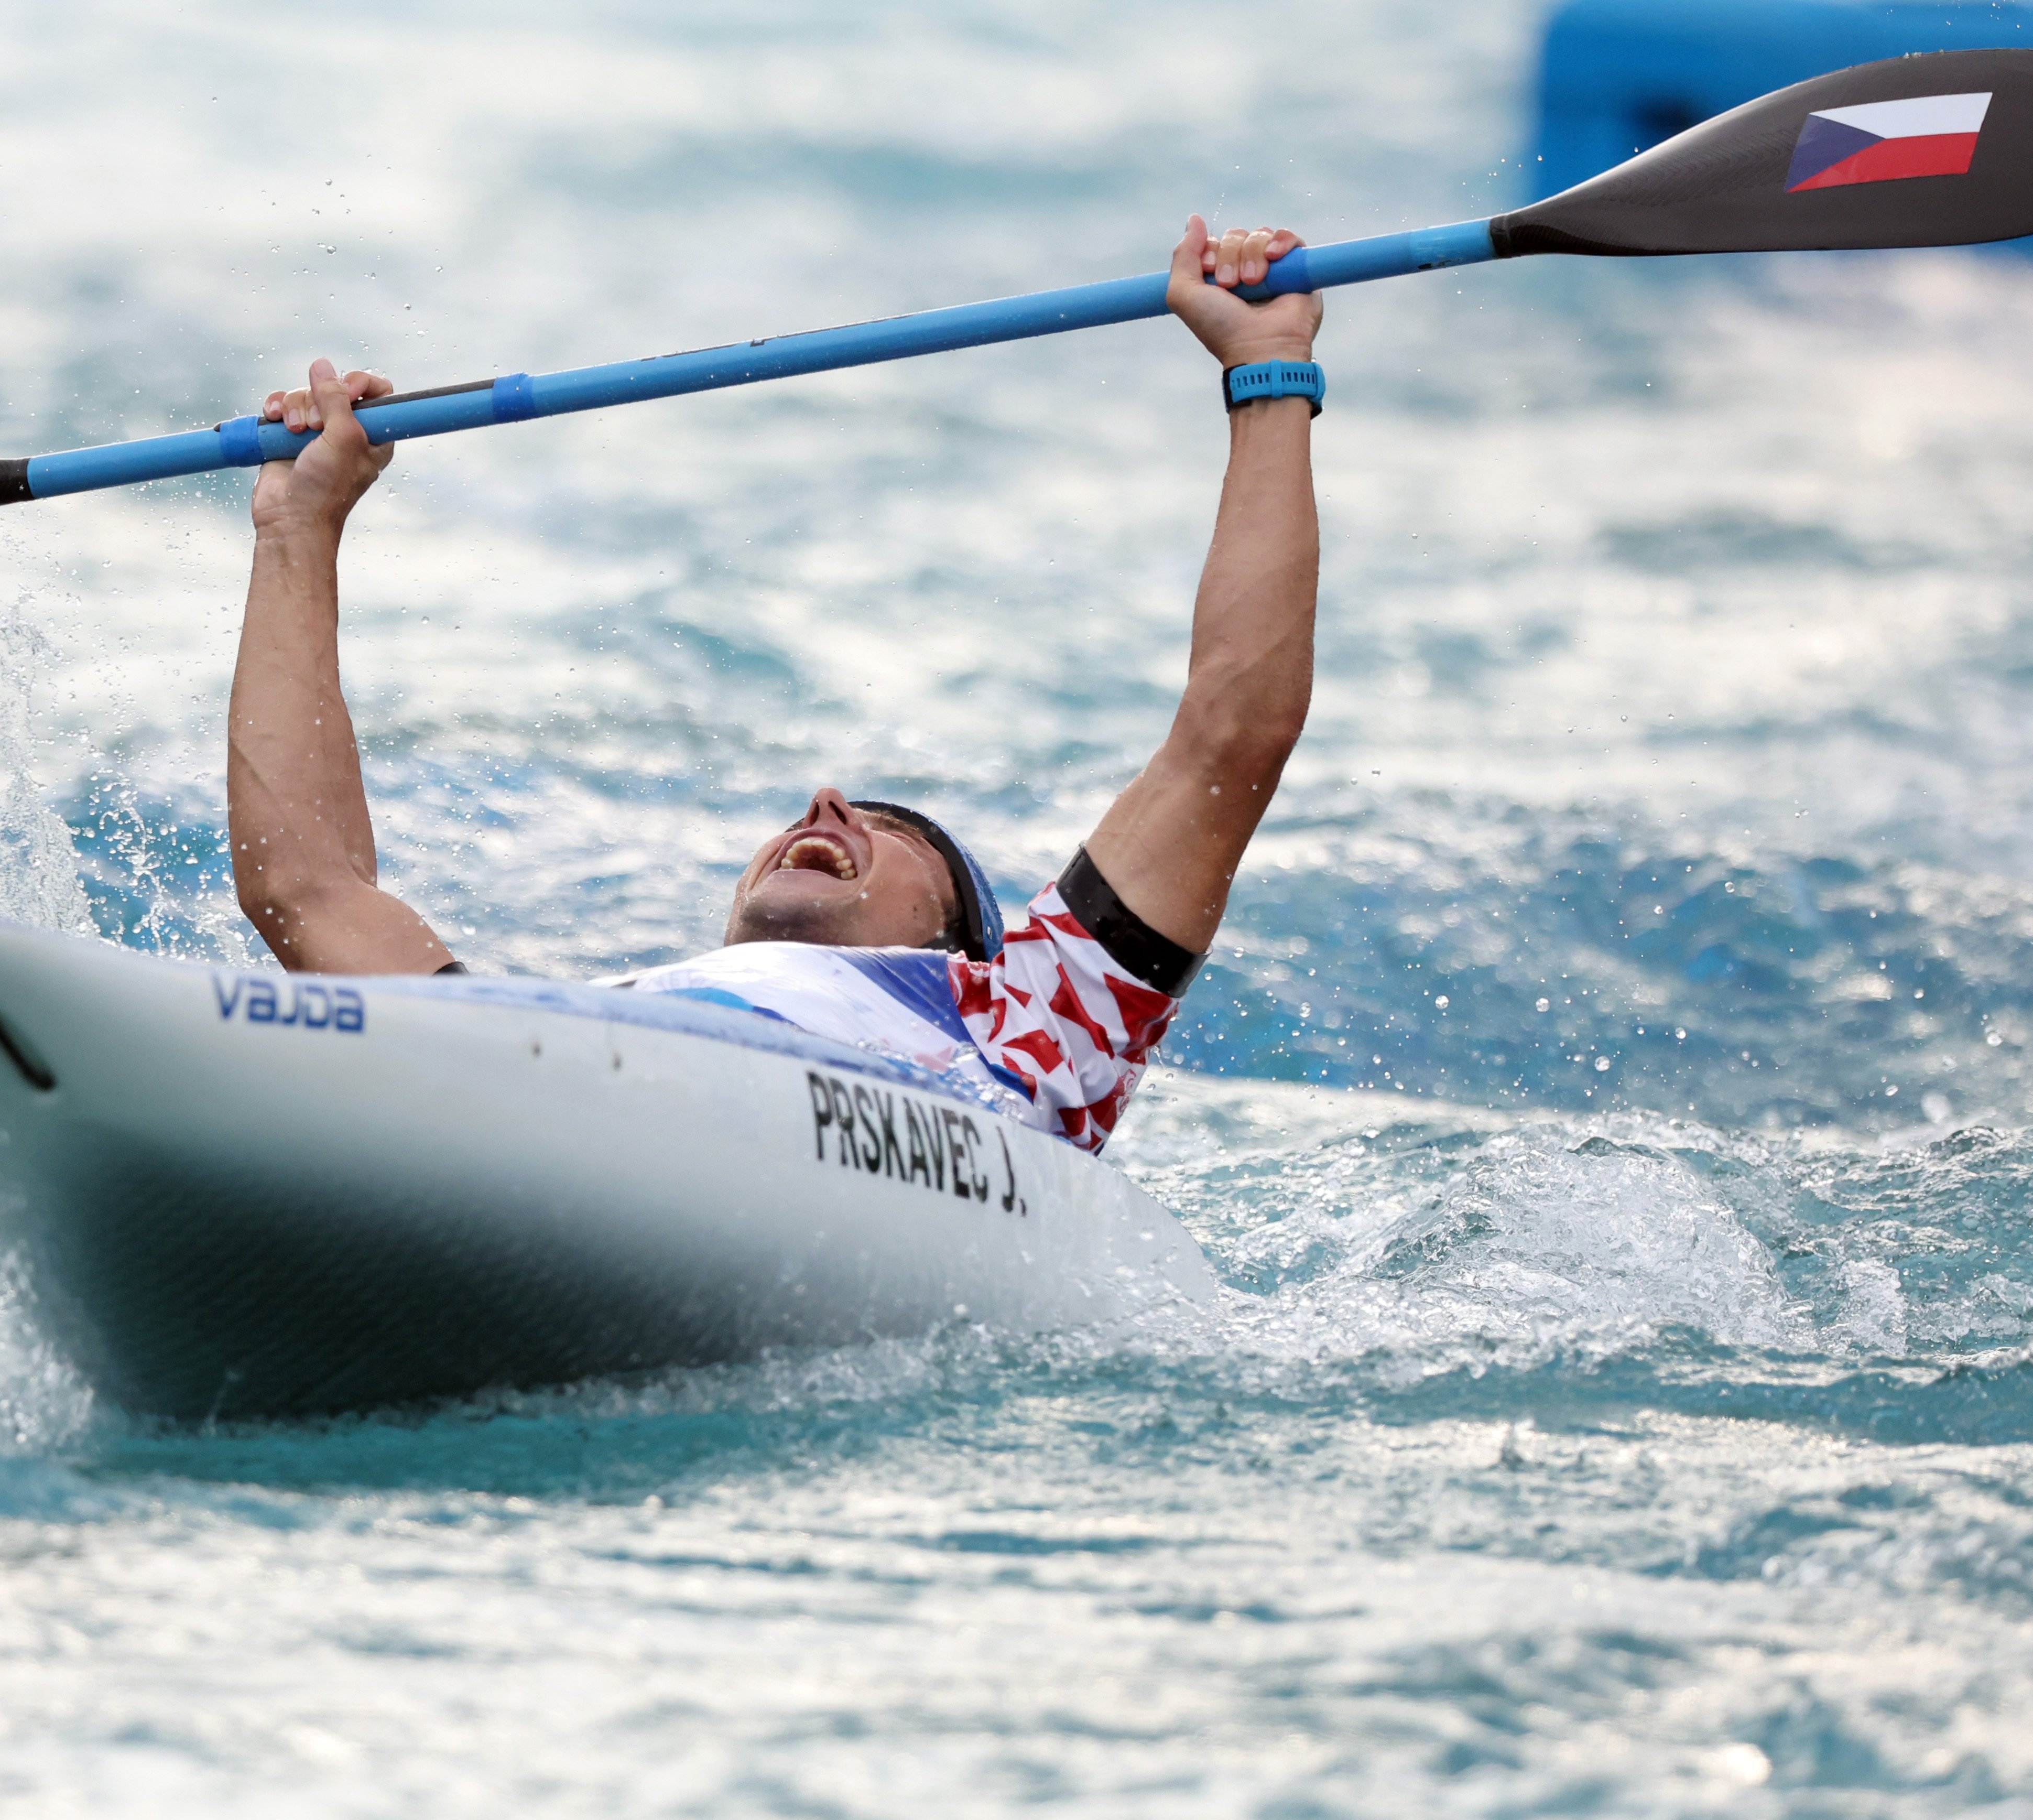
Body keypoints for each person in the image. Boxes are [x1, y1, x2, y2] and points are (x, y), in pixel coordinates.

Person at [227, 216, 1320, 1155]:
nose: (826, 804)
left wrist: (1265, 370)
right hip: (564, 1122)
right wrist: (298, 526)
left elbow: (1231, 735)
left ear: (958, 944)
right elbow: (309, 894)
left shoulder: (1031, 1018)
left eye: (896, 832)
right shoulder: (555, 1029)